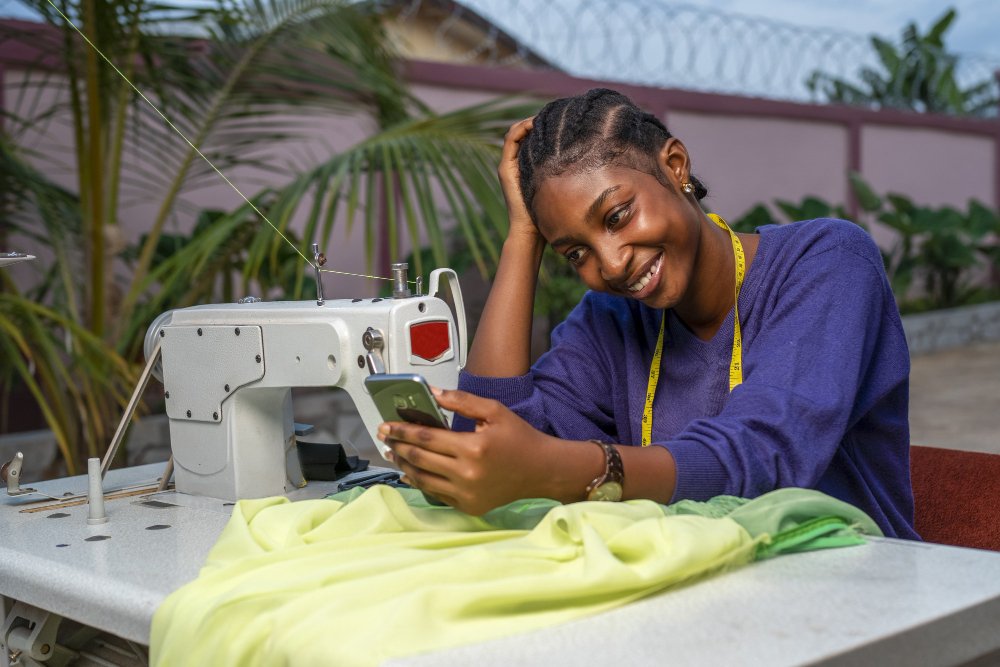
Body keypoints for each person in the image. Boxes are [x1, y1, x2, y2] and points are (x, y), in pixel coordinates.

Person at [377, 88, 917, 540]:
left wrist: (562, 468)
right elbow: (482, 443)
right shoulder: (609, 319)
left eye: (617, 215)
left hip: (850, 584)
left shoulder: (827, 262)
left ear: (674, 166)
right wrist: (523, 236)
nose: (610, 265)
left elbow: (765, 454)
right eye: (575, 253)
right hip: (698, 586)